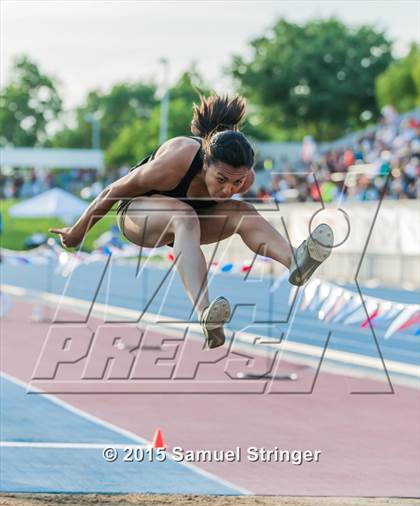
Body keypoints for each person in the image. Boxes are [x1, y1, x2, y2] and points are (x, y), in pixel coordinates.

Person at [50, 94, 333, 349]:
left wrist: (233, 191)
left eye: (237, 182)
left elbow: (229, 196)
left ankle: (295, 262)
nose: (227, 190)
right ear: (205, 163)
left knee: (243, 211)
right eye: (220, 180)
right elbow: (113, 191)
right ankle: (204, 310)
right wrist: (79, 231)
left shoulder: (244, 177)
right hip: (139, 216)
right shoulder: (178, 159)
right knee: (182, 215)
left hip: (189, 221)